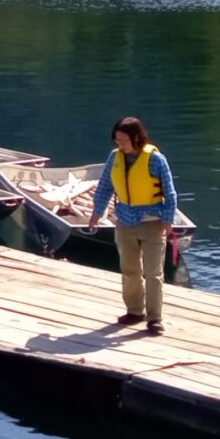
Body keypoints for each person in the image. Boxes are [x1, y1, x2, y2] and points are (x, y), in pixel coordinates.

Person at [86, 115, 178, 335]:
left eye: (124, 141)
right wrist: (96, 212)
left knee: (153, 273)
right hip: (125, 222)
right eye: (117, 140)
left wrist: (168, 219)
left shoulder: (156, 159)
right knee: (130, 270)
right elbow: (105, 186)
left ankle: (154, 318)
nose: (120, 145)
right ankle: (134, 311)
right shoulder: (115, 157)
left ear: (137, 138)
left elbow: (170, 192)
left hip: (153, 223)